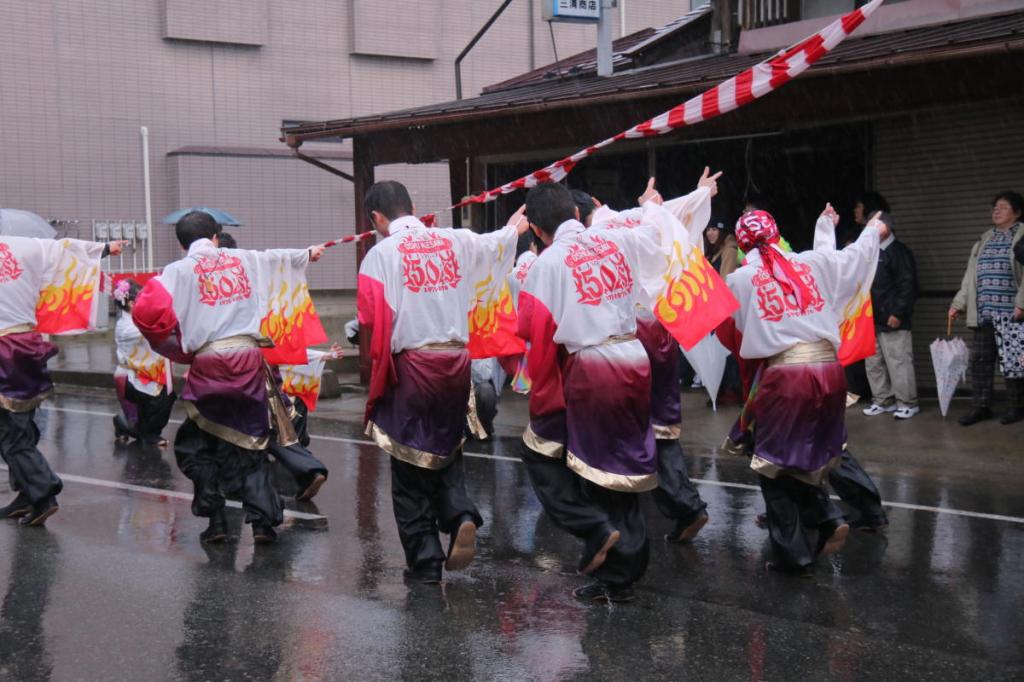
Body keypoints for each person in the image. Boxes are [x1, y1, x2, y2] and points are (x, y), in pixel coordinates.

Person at [517, 171, 719, 603]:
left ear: (536, 229)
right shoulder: (617, 239)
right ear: (576, 212)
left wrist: (544, 397)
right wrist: (652, 203)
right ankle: (622, 572)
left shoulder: (546, 264)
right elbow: (659, 234)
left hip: (592, 367)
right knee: (624, 469)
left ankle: (599, 533)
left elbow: (533, 330)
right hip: (635, 358)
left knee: (560, 462)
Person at [357, 180, 529, 584]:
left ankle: (425, 560)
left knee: (407, 464)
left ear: (377, 219)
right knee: (447, 450)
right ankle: (461, 513)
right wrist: (512, 230)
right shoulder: (455, 240)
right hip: (456, 362)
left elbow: (369, 316)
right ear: (412, 206)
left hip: (415, 365)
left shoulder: (380, 255)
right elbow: (495, 248)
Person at [132, 211, 327, 543]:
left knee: (196, 446)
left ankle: (217, 521)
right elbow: (280, 259)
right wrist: (309, 253)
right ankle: (263, 523)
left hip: (209, 363)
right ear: (216, 237)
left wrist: (176, 345)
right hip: (249, 360)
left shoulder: (176, 272)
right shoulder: (244, 259)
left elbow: (146, 313)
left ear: (182, 244)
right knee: (252, 444)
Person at [718, 205, 889, 575]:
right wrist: (869, 231)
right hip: (830, 370)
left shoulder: (741, 280)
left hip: (787, 374)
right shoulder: (812, 263)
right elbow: (851, 259)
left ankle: (796, 552)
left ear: (743, 244)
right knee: (809, 458)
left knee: (774, 468)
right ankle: (827, 519)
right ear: (777, 233)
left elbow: (732, 334)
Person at [0, 234, 123, 524]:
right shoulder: (28, 245)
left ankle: (42, 491)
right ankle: (27, 493)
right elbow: (67, 250)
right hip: (28, 343)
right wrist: (105, 248)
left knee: (10, 432)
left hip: (4, 349)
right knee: (21, 424)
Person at [950, 191, 1024, 426]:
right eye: (994, 207)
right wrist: (958, 304)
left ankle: (1016, 407)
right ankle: (981, 406)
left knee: (1013, 363)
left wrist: (1022, 304)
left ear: (1017, 212)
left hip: (1012, 314)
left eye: (1002, 207)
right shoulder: (985, 238)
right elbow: (970, 276)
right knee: (980, 362)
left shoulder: (1022, 236)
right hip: (984, 314)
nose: (996, 211)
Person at [861, 212, 920, 420]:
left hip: (894, 318)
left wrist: (898, 312)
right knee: (874, 362)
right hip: (872, 318)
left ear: (883, 228)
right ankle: (883, 400)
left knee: (899, 361)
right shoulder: (871, 252)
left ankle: (907, 402)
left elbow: (908, 286)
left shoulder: (899, 252)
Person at [111, 279, 176, 447]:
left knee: (163, 399)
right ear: (132, 303)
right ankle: (148, 434)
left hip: (148, 374)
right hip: (131, 377)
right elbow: (152, 330)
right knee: (159, 400)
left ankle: (125, 426)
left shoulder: (137, 319)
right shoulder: (125, 326)